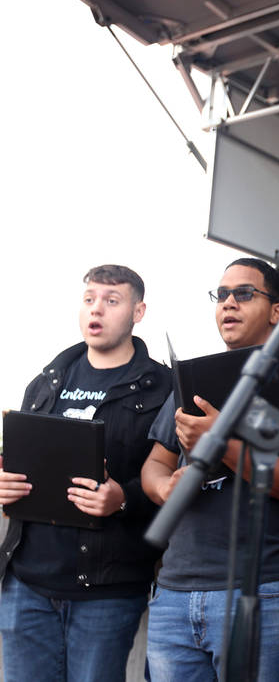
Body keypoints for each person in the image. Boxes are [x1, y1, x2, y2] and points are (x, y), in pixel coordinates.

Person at [141, 258, 279, 682]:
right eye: (221, 294)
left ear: (277, 312)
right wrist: (162, 489)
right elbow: (155, 463)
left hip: (261, 588)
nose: (228, 303)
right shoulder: (191, 380)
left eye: (244, 294)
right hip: (175, 589)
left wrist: (223, 446)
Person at [0, 265, 171, 682]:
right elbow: (19, 461)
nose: (97, 309)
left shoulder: (162, 387)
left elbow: (177, 484)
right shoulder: (47, 381)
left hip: (108, 587)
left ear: (139, 311)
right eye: (89, 298)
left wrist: (124, 499)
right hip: (26, 582)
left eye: (112, 301)